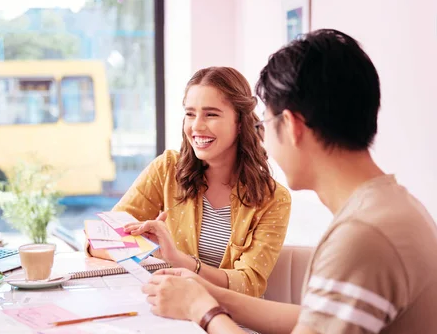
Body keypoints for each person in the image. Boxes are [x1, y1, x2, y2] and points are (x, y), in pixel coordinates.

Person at [140, 29, 437, 334]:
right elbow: (313, 320)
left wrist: (202, 310)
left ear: (291, 126)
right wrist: (203, 290)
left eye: (265, 126)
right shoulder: (390, 209)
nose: (263, 140)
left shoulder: (364, 238)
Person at [88, 66, 291, 298]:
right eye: (190, 113)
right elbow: (99, 241)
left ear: (239, 122)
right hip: (172, 310)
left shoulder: (274, 198)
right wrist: (145, 246)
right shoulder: (166, 170)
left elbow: (248, 284)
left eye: (211, 114)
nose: (196, 126)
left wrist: (178, 259)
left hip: (236, 319)